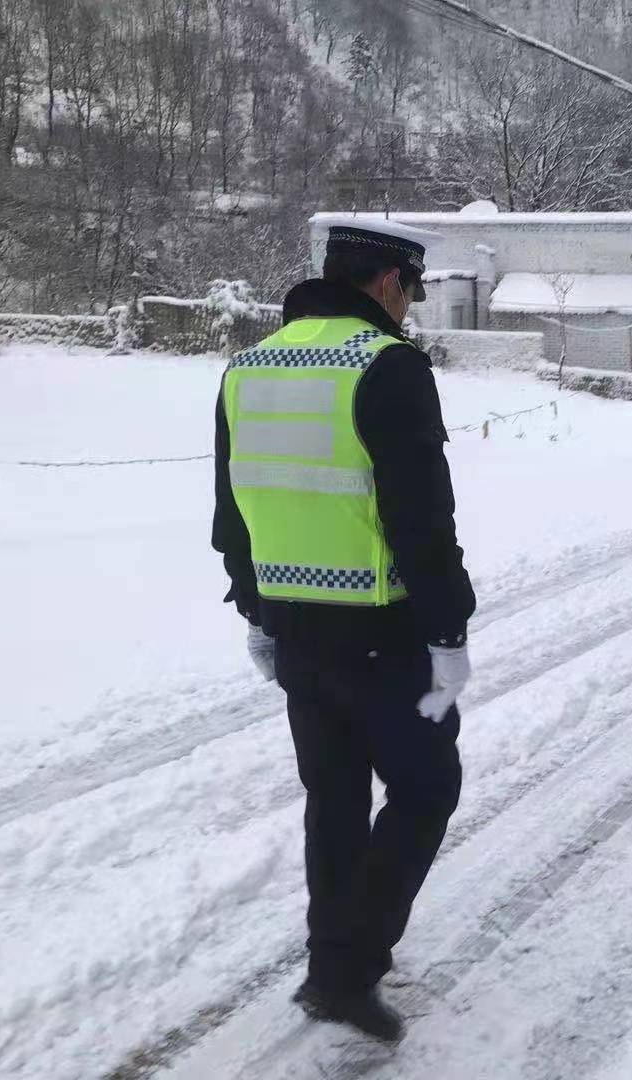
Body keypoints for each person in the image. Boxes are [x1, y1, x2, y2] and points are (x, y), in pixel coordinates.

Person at [211, 220, 476, 1041]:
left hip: (297, 638)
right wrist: (448, 635)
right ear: (389, 281)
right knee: (426, 790)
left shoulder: (245, 370)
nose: (411, 307)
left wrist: (254, 609)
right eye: (412, 289)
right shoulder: (387, 367)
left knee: (333, 802)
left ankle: (335, 953)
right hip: (387, 639)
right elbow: (420, 519)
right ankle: (345, 970)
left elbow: (235, 509)